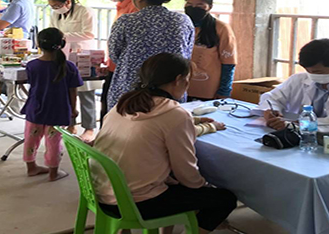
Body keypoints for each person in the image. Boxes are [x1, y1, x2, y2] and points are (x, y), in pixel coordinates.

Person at [93, 53, 237, 234]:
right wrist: (204, 187)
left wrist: (195, 121)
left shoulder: (125, 103)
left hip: (102, 192)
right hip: (136, 202)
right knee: (224, 199)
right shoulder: (174, 114)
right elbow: (187, 175)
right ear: (178, 80)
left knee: (176, 182)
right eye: (187, 80)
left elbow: (156, 127)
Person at [106, 0, 195, 110]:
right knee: (168, 124)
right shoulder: (183, 20)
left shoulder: (126, 21)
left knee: (129, 124)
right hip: (171, 87)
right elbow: (186, 54)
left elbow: (114, 54)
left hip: (131, 87)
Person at [20, 28, 83, 182]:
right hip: (58, 111)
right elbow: (73, 91)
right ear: (61, 44)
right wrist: (73, 109)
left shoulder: (32, 65)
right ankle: (53, 172)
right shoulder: (69, 67)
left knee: (30, 139)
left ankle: (31, 167)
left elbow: (32, 85)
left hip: (36, 108)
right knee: (54, 142)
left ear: (38, 45)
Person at [47, 0, 98, 141]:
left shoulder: (84, 11)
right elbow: (52, 30)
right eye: (52, 6)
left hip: (82, 53)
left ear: (68, 2)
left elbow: (89, 33)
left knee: (85, 92)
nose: (55, 9)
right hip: (63, 55)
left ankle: (89, 128)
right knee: (66, 92)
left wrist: (62, 37)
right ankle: (70, 123)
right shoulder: (55, 14)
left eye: (57, 5)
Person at [98, 0, 138, 124]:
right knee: (107, 106)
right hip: (114, 66)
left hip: (124, 70)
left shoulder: (134, 9)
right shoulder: (122, 7)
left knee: (115, 110)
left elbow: (126, 44)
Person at [184, 0, 237, 100]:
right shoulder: (181, 25)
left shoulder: (221, 28)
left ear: (209, 7)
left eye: (199, 5)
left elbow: (228, 62)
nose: (193, 8)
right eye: (189, 5)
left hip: (208, 89)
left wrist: (224, 90)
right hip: (181, 87)